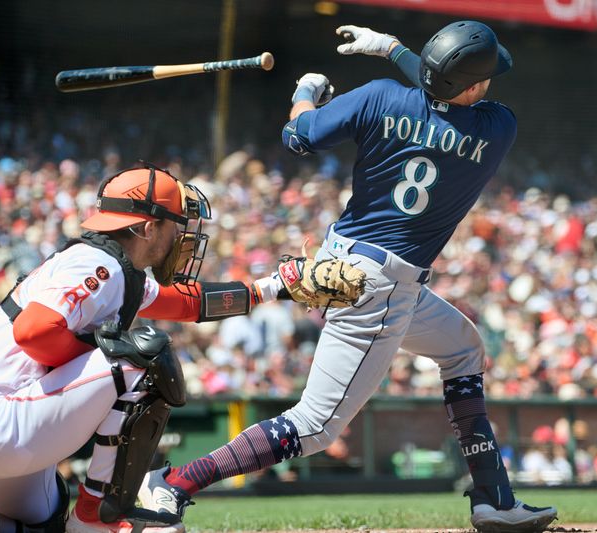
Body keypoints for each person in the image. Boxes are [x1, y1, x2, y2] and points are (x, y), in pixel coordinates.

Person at [138, 21, 557, 532]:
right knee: (314, 426)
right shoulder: (496, 128)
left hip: (343, 262)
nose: (490, 84)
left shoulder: (381, 97)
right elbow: (449, 95)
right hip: (380, 287)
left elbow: (300, 137)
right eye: (485, 77)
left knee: (463, 348)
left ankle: (493, 497)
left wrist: (305, 93)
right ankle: (175, 483)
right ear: (471, 85)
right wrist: (393, 49)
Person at [0, 163, 361, 533]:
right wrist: (105, 351)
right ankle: (100, 513)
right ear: (149, 226)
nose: (181, 235)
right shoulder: (98, 265)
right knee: (142, 357)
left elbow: (189, 302)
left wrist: (274, 287)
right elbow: (35, 333)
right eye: (174, 224)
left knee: (48, 519)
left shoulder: (113, 267)